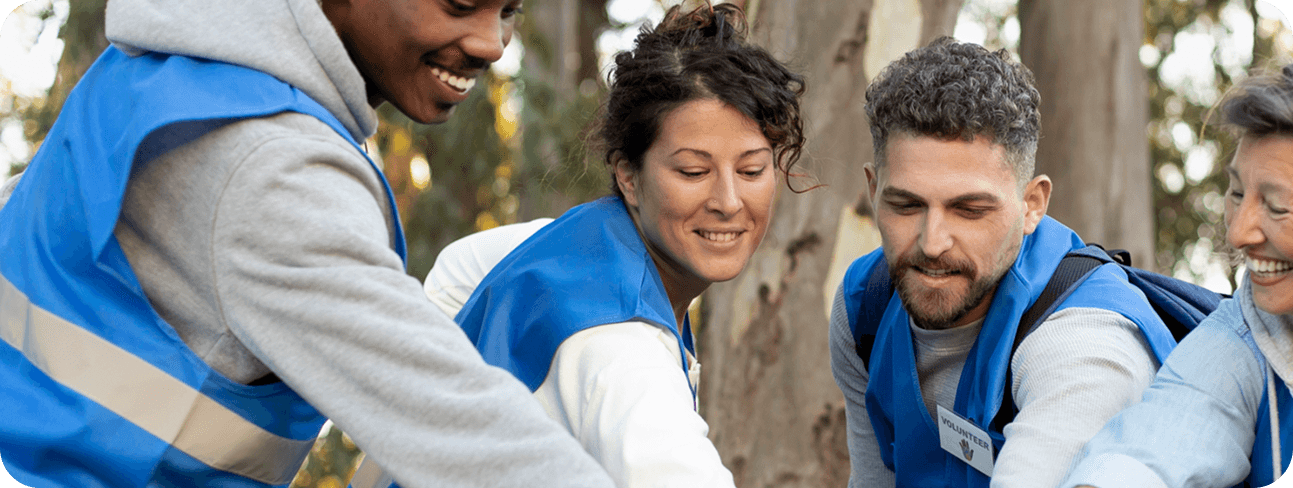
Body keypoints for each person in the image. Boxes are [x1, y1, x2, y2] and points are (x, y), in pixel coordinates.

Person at [0, 0, 618, 486]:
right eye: (459, 4)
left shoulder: (175, 63)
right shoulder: (268, 167)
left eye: (508, 10)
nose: (491, 43)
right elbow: (454, 420)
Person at [419, 3, 805, 486]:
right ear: (628, 176)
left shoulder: (556, 245)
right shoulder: (621, 348)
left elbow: (458, 268)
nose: (728, 201)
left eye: (751, 170)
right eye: (693, 171)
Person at [828, 37, 1179, 487]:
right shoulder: (865, 305)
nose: (932, 243)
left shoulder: (1085, 347)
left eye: (970, 210)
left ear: (1032, 204)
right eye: (906, 205)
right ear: (873, 190)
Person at [1062, 63, 1293, 488]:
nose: (1239, 233)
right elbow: (1164, 435)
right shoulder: (1251, 324)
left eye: (1277, 208)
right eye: (1237, 194)